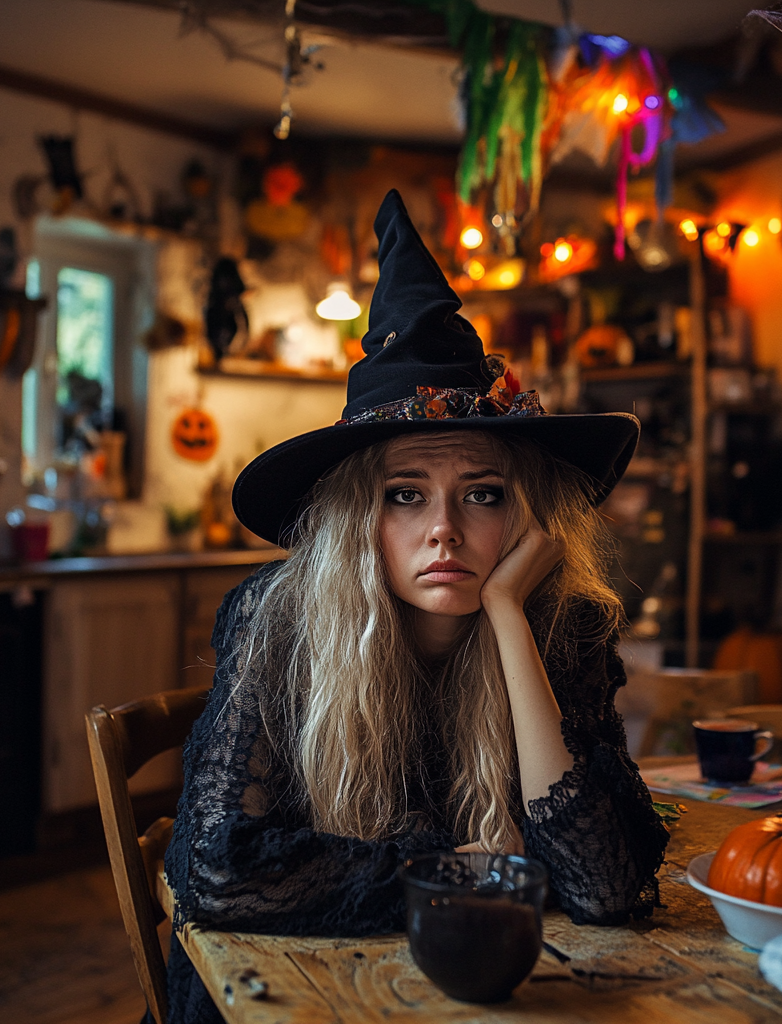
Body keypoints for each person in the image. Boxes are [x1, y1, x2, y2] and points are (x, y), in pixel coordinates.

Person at [162, 190, 669, 1023]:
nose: (442, 530)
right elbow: (218, 870)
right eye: (405, 494)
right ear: (358, 517)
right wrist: (451, 865)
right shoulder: (277, 617)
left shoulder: (558, 624)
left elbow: (604, 885)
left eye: (482, 494)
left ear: (528, 513)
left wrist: (509, 615)